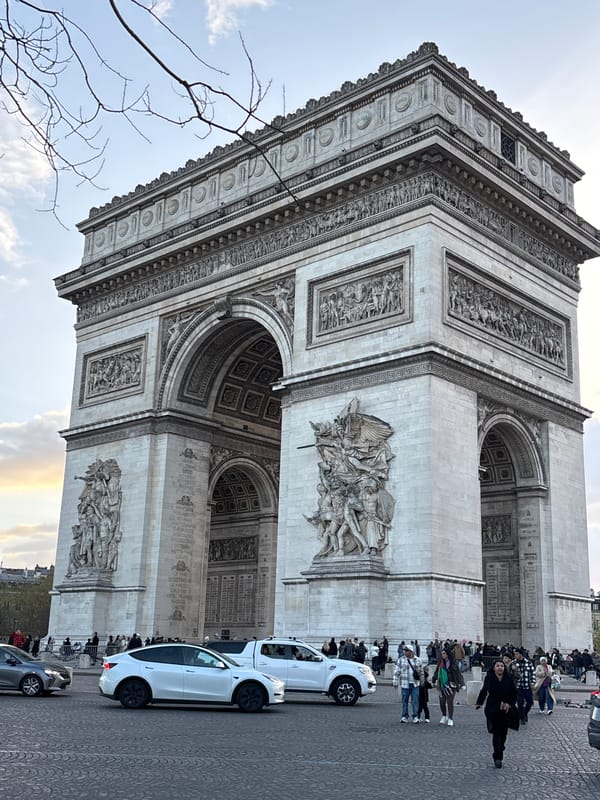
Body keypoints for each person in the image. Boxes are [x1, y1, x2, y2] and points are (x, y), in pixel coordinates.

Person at [476, 658, 519, 768]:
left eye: (502, 666)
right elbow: (484, 690)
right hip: (493, 708)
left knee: (503, 734)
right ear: (494, 668)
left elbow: (514, 693)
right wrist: (479, 702)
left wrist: (509, 703)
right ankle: (497, 757)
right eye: (498, 666)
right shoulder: (489, 678)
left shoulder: (508, 678)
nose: (500, 668)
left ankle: (501, 746)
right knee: (496, 733)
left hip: (505, 709)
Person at [432, 646, 464, 726]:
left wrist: (462, 683)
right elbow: (436, 672)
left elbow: (458, 674)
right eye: (442, 653)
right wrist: (433, 680)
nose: (442, 655)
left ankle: (450, 718)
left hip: (451, 685)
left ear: (447, 654)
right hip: (442, 684)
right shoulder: (440, 663)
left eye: (444, 653)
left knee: (450, 702)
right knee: (442, 702)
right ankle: (444, 715)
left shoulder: (453, 663)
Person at [393, 643, 423, 723]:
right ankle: (404, 716)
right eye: (404, 650)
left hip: (415, 683)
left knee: (415, 701)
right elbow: (397, 672)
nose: (405, 652)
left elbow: (421, 672)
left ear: (411, 651)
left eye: (406, 651)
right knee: (404, 701)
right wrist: (395, 682)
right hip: (405, 683)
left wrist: (422, 682)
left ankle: (415, 716)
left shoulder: (418, 660)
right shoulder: (401, 659)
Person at [511, 648, 535, 724]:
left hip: (527, 685)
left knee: (530, 701)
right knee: (520, 702)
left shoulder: (528, 662)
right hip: (518, 686)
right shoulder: (513, 663)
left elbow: (533, 673)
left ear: (521, 654)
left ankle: (524, 713)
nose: (515, 656)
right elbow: (510, 674)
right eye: (515, 654)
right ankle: (522, 718)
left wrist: (533, 682)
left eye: (516, 654)